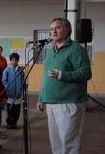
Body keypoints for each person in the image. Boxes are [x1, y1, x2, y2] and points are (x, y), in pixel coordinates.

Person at [36, 17, 92, 154]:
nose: (53, 31)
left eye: (58, 27)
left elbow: (86, 73)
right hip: (51, 104)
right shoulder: (51, 51)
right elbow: (45, 76)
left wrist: (63, 75)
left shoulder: (76, 49)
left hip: (69, 104)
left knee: (70, 144)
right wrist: (41, 97)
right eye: (51, 29)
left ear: (67, 30)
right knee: (56, 144)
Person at [2, 52, 24, 129]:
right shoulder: (7, 70)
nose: (14, 62)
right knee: (9, 110)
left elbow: (23, 81)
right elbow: (4, 80)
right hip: (9, 95)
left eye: (16, 60)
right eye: (13, 60)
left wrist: (21, 89)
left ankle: (14, 122)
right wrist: (8, 88)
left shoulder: (21, 70)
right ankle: (9, 123)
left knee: (17, 110)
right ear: (10, 61)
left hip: (18, 94)